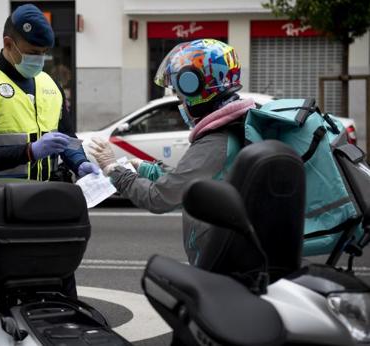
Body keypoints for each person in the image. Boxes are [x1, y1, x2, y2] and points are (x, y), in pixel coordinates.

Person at [0, 4, 99, 344]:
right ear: (8, 44)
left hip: (48, 212)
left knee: (62, 306)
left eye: (45, 53)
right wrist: (30, 150)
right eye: (33, 52)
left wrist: (80, 162)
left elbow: (67, 137)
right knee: (2, 317)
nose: (40, 60)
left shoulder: (49, 84)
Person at [90, 39, 255, 268]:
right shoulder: (235, 127)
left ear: (197, 89)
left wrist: (113, 169)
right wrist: (145, 168)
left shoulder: (217, 141)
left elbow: (160, 198)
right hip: (232, 254)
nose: (180, 103)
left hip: (222, 262)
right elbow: (186, 184)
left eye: (180, 96)